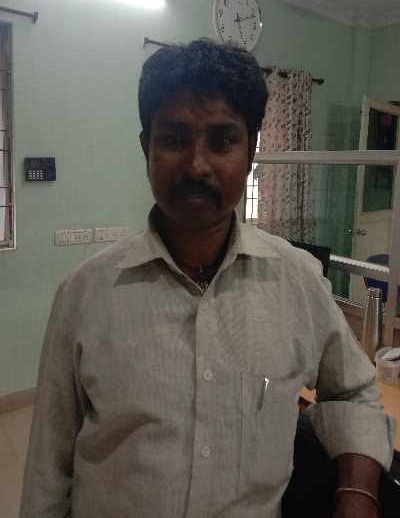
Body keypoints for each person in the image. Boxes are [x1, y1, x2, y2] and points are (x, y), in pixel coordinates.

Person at [20, 39, 395, 518]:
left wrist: (358, 496)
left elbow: (355, 392)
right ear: (146, 148)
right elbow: (47, 475)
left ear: (251, 152)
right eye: (174, 139)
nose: (197, 165)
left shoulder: (298, 281)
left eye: (222, 141)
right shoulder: (85, 295)